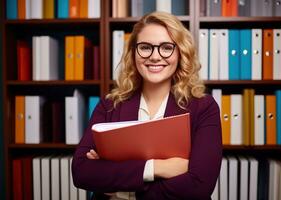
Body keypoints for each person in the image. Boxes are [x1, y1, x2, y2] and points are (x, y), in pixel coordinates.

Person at [72, 11, 222, 200]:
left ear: (180, 53)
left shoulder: (204, 107)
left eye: (166, 47)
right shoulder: (110, 105)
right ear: (133, 53)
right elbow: (81, 172)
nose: (155, 57)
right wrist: (157, 168)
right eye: (145, 47)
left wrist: (115, 182)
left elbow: (199, 185)